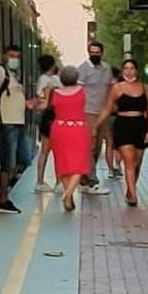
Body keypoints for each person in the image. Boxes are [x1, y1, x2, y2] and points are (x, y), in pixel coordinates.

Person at [94, 59, 148, 206]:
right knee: (129, 161)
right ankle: (133, 195)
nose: (129, 71)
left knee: (137, 163)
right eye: (126, 69)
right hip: (123, 126)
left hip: (140, 126)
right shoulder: (117, 88)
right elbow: (107, 109)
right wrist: (95, 126)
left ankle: (131, 188)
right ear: (122, 71)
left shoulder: (144, 88)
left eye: (132, 68)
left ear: (137, 71)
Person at [0, 44, 37, 214]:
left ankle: (2, 189)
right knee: (7, 161)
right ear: (4, 56)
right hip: (6, 123)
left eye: (17, 56)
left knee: (25, 158)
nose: (14, 59)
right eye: (11, 55)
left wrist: (28, 104)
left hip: (18, 122)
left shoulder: (14, 75)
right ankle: (3, 198)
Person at [48, 65, 92, 211]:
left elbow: (48, 107)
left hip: (59, 129)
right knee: (80, 163)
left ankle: (69, 196)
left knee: (64, 163)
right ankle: (68, 193)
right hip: (79, 129)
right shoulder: (82, 92)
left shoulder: (55, 93)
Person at [78, 41, 114, 194]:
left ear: (101, 53)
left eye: (97, 52)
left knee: (98, 146)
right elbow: (79, 91)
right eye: (92, 52)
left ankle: (84, 179)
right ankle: (92, 180)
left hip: (103, 113)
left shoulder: (107, 69)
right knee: (89, 145)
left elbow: (111, 88)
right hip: (88, 112)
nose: (94, 55)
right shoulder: (83, 69)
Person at [33, 54, 60, 193]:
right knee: (50, 150)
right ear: (52, 65)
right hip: (51, 117)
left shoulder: (46, 79)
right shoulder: (47, 80)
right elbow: (44, 101)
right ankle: (55, 182)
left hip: (48, 117)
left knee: (46, 150)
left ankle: (41, 180)